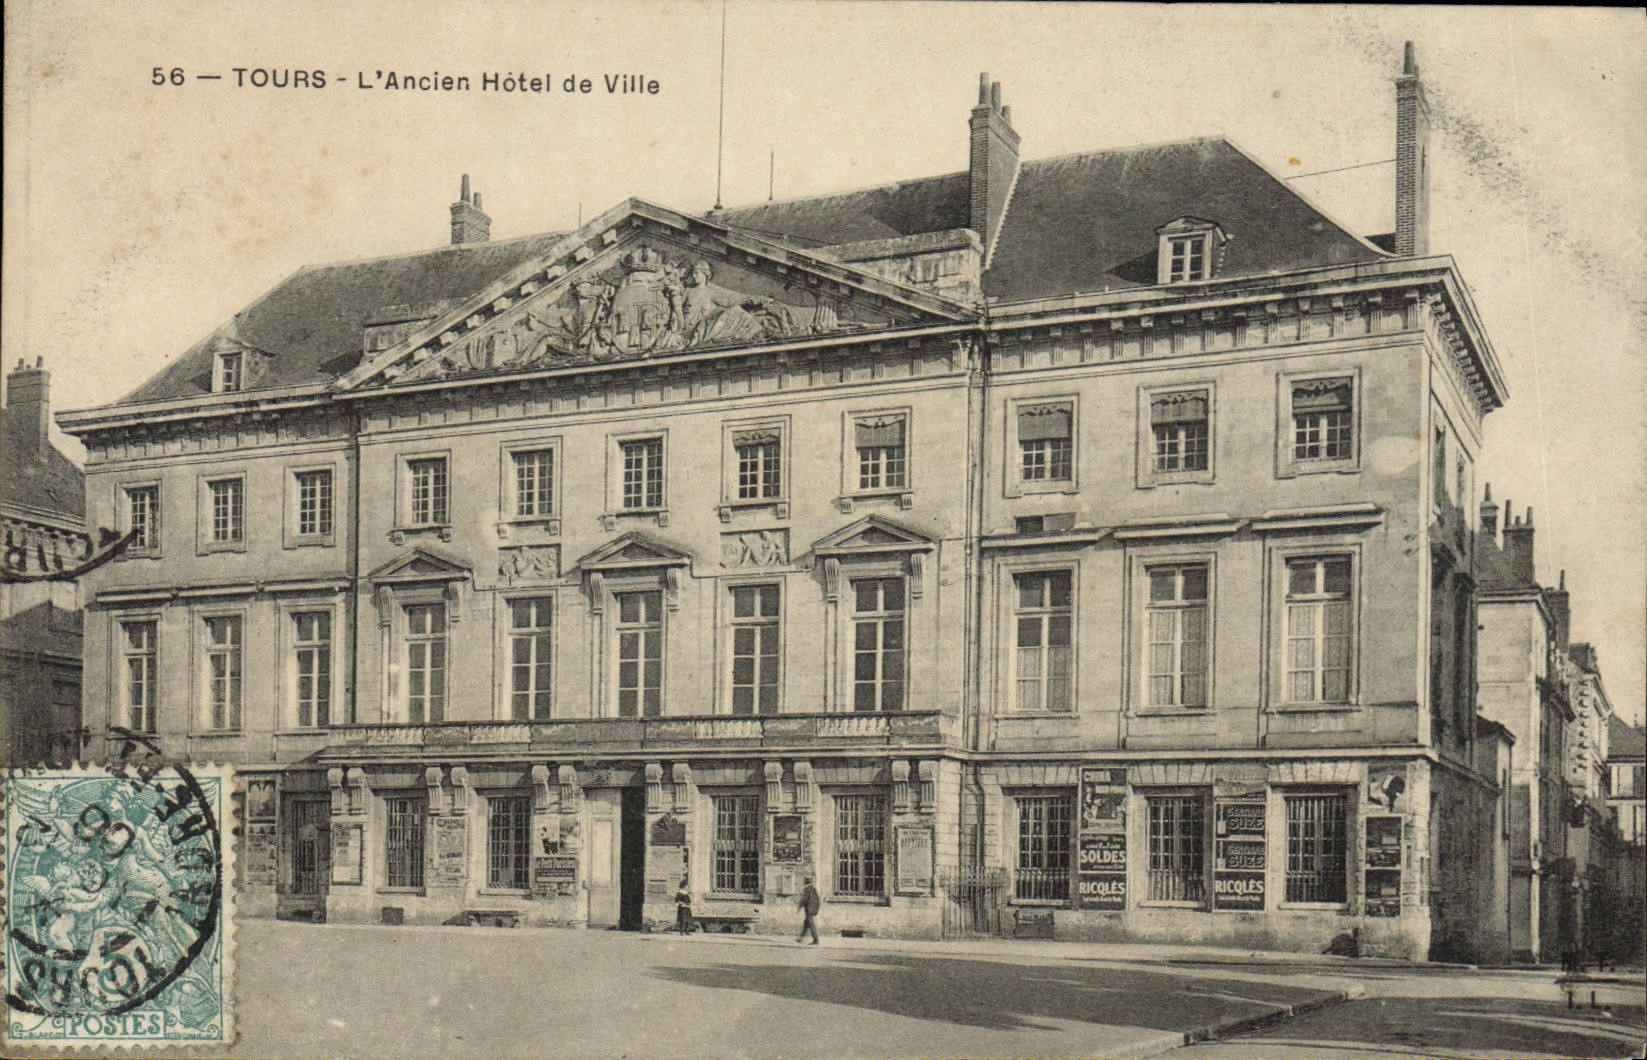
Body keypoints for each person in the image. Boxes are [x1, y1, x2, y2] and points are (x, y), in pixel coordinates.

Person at [796, 875, 821, 944]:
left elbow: (803, 900)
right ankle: (800, 938)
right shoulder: (813, 889)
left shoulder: (807, 890)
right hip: (813, 909)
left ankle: (816, 940)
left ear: (805, 882)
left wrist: (799, 907)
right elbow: (817, 901)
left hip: (810, 910)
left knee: (811, 924)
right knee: (806, 923)